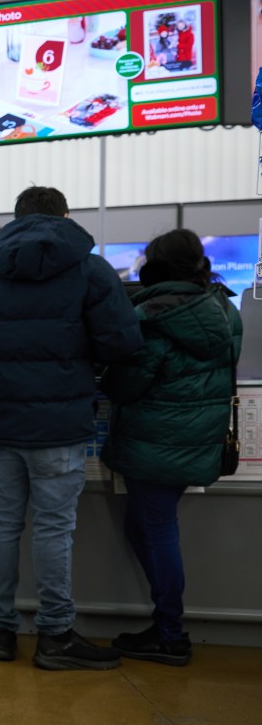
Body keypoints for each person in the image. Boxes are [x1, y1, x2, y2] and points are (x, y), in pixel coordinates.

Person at [0, 186, 142, 670]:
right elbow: (121, 342)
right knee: (54, 529)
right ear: (65, 216)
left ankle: (0, 633)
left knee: (2, 525)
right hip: (62, 423)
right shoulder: (89, 269)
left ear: (15, 218)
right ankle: (55, 634)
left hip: (1, 421)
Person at [100, 230, 243, 666]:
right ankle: (166, 625)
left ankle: (170, 634)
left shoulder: (154, 316)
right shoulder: (223, 307)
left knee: (157, 530)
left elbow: (127, 384)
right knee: (143, 528)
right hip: (198, 439)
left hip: (155, 441)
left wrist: (107, 375)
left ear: (154, 266)